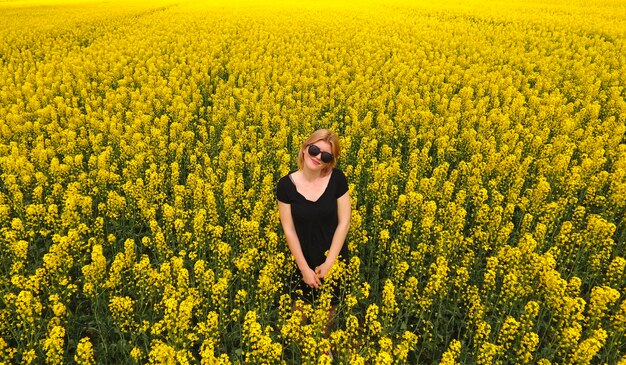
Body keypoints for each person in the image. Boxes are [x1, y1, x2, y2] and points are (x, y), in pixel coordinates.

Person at [276, 128, 351, 319]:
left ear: (330, 161)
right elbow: (289, 229)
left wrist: (330, 263)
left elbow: (344, 222)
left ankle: (324, 346)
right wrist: (303, 268)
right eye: (314, 150)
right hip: (302, 257)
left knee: (329, 308)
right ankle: (301, 348)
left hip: (333, 257)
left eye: (326, 156)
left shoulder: (337, 179)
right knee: (299, 311)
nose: (318, 157)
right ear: (304, 148)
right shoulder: (285, 186)